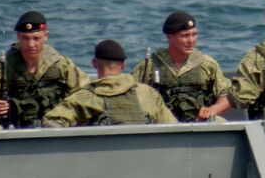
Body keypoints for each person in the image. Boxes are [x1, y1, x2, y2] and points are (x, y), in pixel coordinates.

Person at [0, 10, 88, 128]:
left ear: (46, 36)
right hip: (16, 129)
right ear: (18, 37)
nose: (31, 44)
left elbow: (84, 95)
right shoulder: (2, 66)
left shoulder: (62, 65)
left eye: (36, 38)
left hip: (55, 129)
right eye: (25, 38)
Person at [43, 40, 176, 127]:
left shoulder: (85, 97)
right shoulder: (148, 94)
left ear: (94, 63)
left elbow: (51, 123)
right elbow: (173, 128)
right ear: (123, 65)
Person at [132, 10, 231, 122]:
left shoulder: (207, 64)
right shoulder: (149, 66)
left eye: (194, 34)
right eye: (185, 36)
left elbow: (226, 94)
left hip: (199, 123)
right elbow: (131, 95)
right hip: (161, 126)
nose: (191, 41)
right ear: (170, 37)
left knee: (219, 122)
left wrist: (213, 109)